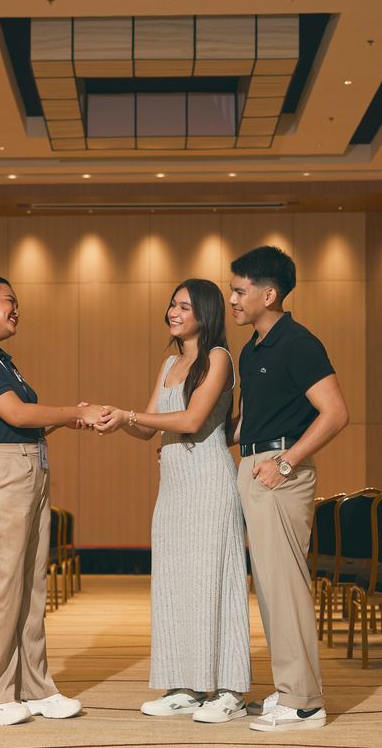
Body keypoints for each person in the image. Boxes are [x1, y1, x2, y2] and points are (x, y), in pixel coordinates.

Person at [0, 273, 104, 726]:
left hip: (28, 466)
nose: (16, 309)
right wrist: (74, 412)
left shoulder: (0, 359)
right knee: (1, 586)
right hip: (2, 474)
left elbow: (23, 421)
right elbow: (15, 413)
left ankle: (33, 687)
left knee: (31, 587)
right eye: (8, 301)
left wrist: (68, 420)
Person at [94, 279, 251, 723]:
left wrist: (129, 414)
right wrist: (117, 419)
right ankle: (184, 685)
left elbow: (191, 419)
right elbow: (148, 428)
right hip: (174, 488)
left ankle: (229, 690)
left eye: (184, 305)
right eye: (172, 304)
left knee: (214, 583)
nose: (173, 311)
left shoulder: (218, 358)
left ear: (206, 313)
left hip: (209, 480)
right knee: (174, 584)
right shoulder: (169, 363)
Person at [228, 246, 349, 732]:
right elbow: (246, 423)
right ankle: (290, 690)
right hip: (256, 466)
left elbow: (336, 412)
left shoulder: (298, 342)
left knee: (287, 588)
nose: (232, 299)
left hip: (279, 469)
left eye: (239, 290)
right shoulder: (252, 348)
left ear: (269, 293)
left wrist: (286, 461)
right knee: (273, 590)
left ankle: (304, 704)